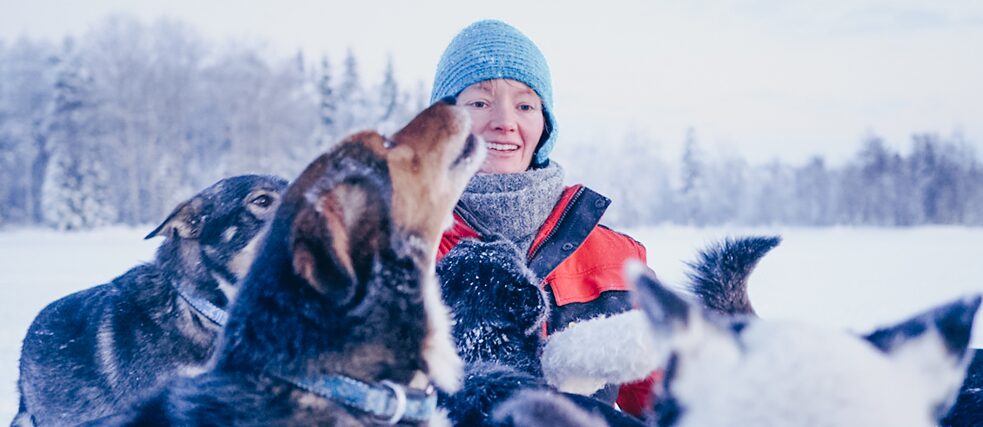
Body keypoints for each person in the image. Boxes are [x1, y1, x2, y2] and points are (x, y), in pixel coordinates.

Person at [432, 19, 658, 417]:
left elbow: (675, 404)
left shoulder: (616, 260)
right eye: (480, 102)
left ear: (544, 123)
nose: (505, 121)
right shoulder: (396, 250)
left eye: (525, 105)